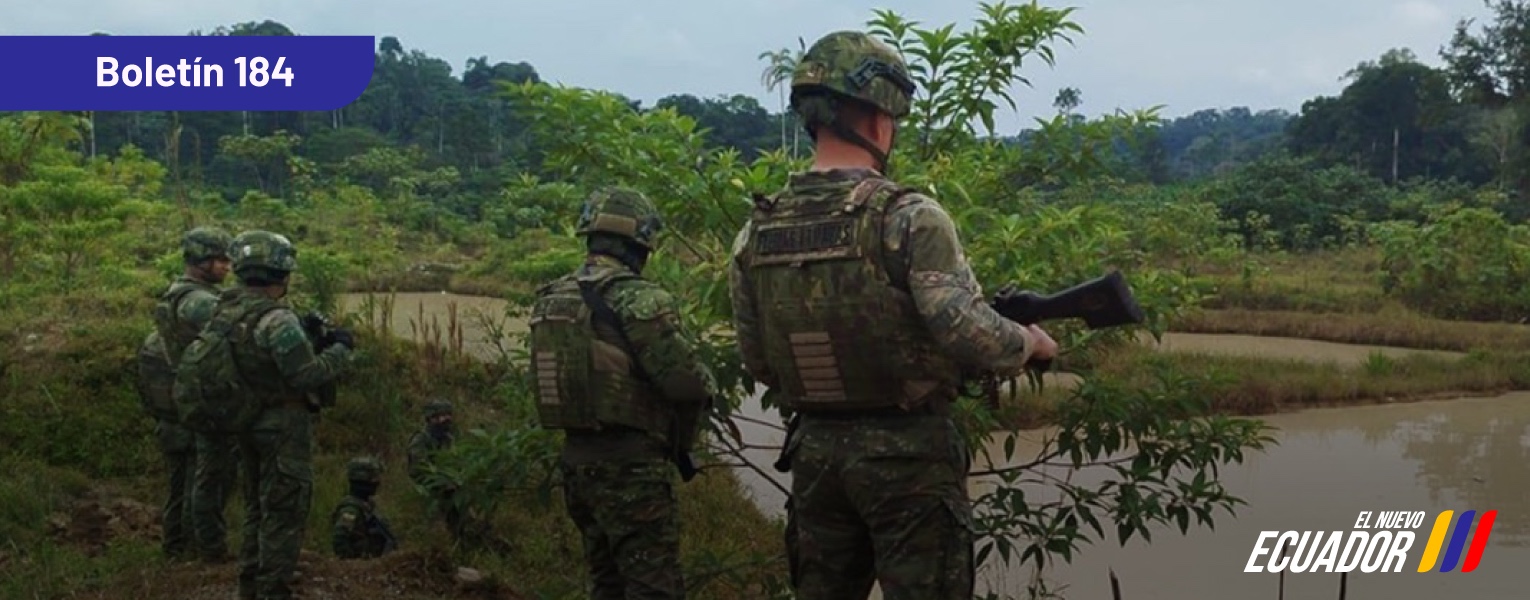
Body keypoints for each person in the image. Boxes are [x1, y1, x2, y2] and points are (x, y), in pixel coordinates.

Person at [726, 30, 1060, 600]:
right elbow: (962, 327)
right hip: (908, 455)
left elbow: (759, 360)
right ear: (880, 118)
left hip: (816, 455)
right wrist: (1029, 345)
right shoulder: (908, 217)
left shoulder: (757, 230)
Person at [528, 186, 718, 600]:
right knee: (654, 588)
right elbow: (686, 383)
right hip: (631, 467)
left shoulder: (552, 296)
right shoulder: (639, 297)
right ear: (641, 239)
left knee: (606, 583)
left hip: (577, 463)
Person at [216, 230, 356, 600]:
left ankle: (249, 587)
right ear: (281, 274)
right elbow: (306, 375)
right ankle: (272, 590)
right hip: (281, 427)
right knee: (283, 514)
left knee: (256, 510)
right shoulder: (277, 320)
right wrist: (340, 350)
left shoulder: (226, 309)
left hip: (245, 420)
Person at [145, 226, 233, 561]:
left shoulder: (175, 293)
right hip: (198, 408)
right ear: (200, 260)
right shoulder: (199, 302)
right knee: (207, 482)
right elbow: (238, 333)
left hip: (177, 406)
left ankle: (176, 552)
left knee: (180, 484)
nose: (226, 266)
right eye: (219, 259)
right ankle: (202, 554)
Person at [405, 399, 462, 538]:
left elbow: (455, 462)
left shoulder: (448, 439)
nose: (446, 419)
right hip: (428, 491)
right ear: (431, 418)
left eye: (448, 415)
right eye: (442, 415)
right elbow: (418, 469)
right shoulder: (420, 440)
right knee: (435, 530)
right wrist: (441, 482)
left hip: (451, 491)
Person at [331, 456, 398, 559]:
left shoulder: (367, 506)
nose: (377, 483)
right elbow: (340, 538)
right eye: (373, 479)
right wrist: (350, 563)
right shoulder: (351, 510)